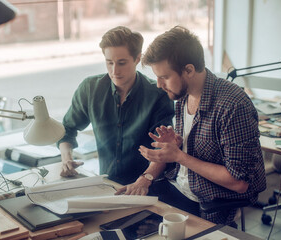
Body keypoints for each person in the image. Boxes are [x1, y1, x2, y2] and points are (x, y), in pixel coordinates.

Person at [138, 26, 266, 226]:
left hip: (208, 203)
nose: (158, 84)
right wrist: (175, 146)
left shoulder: (233, 105)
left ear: (188, 70)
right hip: (178, 189)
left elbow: (239, 182)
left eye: (164, 76)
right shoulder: (182, 95)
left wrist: (179, 156)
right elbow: (190, 154)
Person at [57, 26, 174, 196]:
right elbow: (67, 129)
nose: (114, 71)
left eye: (121, 63)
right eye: (109, 62)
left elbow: (164, 148)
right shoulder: (90, 89)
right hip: (107, 186)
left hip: (147, 188)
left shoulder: (157, 95)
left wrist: (144, 180)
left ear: (137, 59)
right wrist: (66, 159)